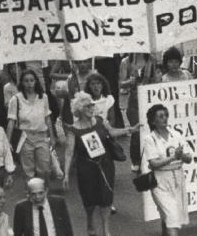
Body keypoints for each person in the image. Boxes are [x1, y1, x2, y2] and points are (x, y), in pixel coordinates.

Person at [62, 93, 116, 236]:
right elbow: (68, 153)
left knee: (106, 197)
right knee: (90, 199)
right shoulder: (73, 130)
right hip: (86, 168)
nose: (91, 108)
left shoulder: (100, 120)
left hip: (105, 164)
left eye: (92, 105)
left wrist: (131, 129)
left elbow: (113, 132)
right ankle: (90, 221)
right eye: (88, 106)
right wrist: (66, 174)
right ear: (79, 109)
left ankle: (106, 229)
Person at [141, 104, 192, 235]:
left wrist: (182, 155)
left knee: (168, 216)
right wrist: (173, 157)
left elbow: (189, 158)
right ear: (153, 121)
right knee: (171, 216)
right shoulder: (150, 139)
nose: (164, 118)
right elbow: (154, 163)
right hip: (160, 181)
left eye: (165, 115)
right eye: (160, 116)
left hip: (177, 179)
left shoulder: (176, 134)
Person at [7, 68, 58, 182]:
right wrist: (8, 141)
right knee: (28, 171)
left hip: (42, 136)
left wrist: (52, 137)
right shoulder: (15, 100)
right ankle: (31, 196)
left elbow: (47, 118)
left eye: (31, 80)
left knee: (44, 169)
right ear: (22, 82)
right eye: (26, 81)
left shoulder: (43, 97)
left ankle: (44, 195)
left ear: (36, 81)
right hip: (25, 138)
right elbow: (11, 121)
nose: (29, 84)